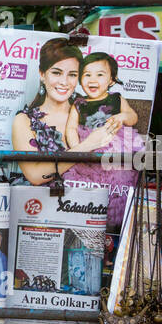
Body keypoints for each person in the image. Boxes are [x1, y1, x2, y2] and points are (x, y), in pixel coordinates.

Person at [63, 51, 143, 229]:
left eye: (100, 75)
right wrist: (78, 148)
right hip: (88, 145)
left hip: (115, 146)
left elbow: (133, 117)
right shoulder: (78, 104)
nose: (93, 80)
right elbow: (70, 128)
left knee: (118, 181)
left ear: (112, 80)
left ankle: (113, 216)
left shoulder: (116, 99)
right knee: (86, 183)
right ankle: (89, 215)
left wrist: (122, 116)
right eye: (87, 75)